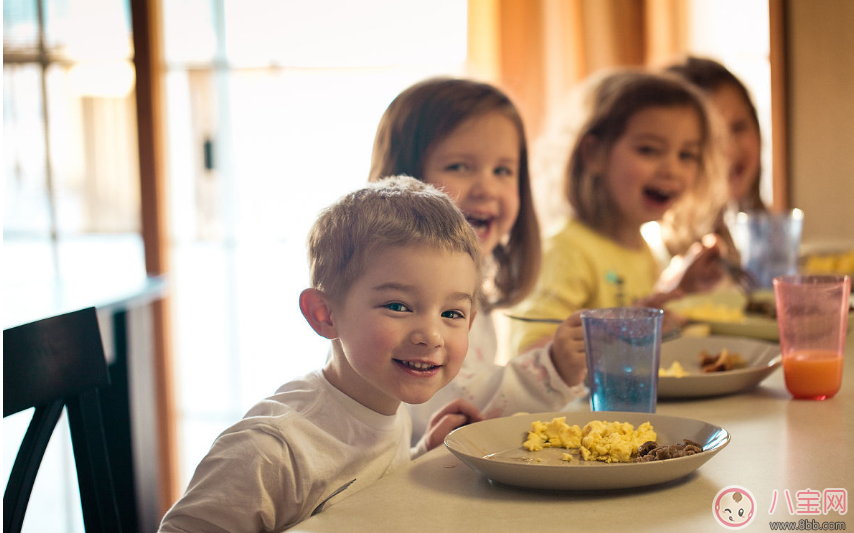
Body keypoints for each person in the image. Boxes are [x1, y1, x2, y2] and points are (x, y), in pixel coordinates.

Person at [159, 176, 484, 532]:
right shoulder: (271, 450)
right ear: (324, 314)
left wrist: (421, 456)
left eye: (452, 313)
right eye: (398, 306)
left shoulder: (387, 404)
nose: (431, 335)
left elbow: (360, 498)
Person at [369, 77, 588, 451]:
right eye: (459, 166)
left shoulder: (473, 287)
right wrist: (550, 371)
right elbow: (446, 395)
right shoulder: (397, 289)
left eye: (503, 171)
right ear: (404, 180)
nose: (486, 187)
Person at [508, 68, 728, 355]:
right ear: (594, 154)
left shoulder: (642, 247)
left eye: (686, 155)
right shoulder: (566, 251)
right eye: (649, 150)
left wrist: (684, 291)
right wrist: (616, 330)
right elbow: (528, 355)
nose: (672, 169)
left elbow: (643, 337)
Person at [664, 56, 766, 262]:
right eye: (711, 137)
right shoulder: (650, 251)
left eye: (738, 128)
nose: (729, 149)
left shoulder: (761, 237)